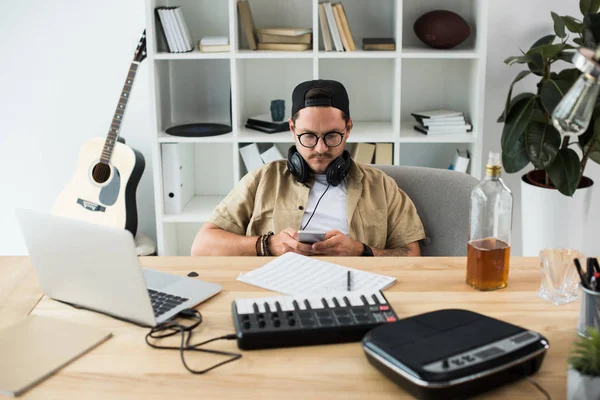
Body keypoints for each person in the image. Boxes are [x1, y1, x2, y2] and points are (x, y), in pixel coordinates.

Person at [191, 79, 426, 257]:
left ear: (349, 128)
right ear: (292, 129)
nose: (321, 148)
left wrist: (360, 251)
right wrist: (268, 244)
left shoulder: (381, 185)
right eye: (308, 136)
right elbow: (202, 246)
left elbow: (411, 254)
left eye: (332, 136)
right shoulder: (263, 178)